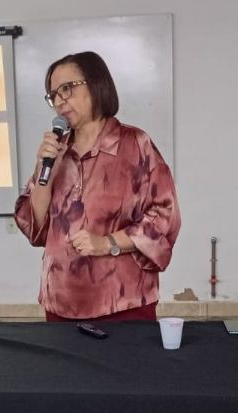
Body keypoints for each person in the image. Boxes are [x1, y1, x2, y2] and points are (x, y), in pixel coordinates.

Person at [14, 51, 180, 321]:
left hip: (122, 301)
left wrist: (107, 243)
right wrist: (45, 172)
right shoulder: (57, 151)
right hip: (60, 301)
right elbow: (36, 228)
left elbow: (164, 216)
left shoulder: (135, 144)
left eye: (67, 88)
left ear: (96, 84)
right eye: (53, 94)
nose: (59, 100)